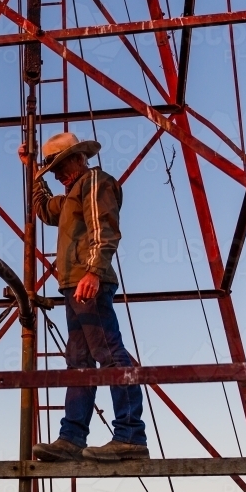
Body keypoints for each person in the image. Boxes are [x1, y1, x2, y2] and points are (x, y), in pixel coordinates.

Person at [18, 132, 148, 462]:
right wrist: (32, 170)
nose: (59, 174)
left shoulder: (93, 182)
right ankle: (72, 438)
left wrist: (93, 270)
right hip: (72, 285)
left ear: (78, 159)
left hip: (89, 282)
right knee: (78, 363)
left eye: (61, 166)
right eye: (55, 170)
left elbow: (103, 228)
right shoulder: (70, 195)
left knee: (110, 353)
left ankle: (131, 435)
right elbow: (45, 210)